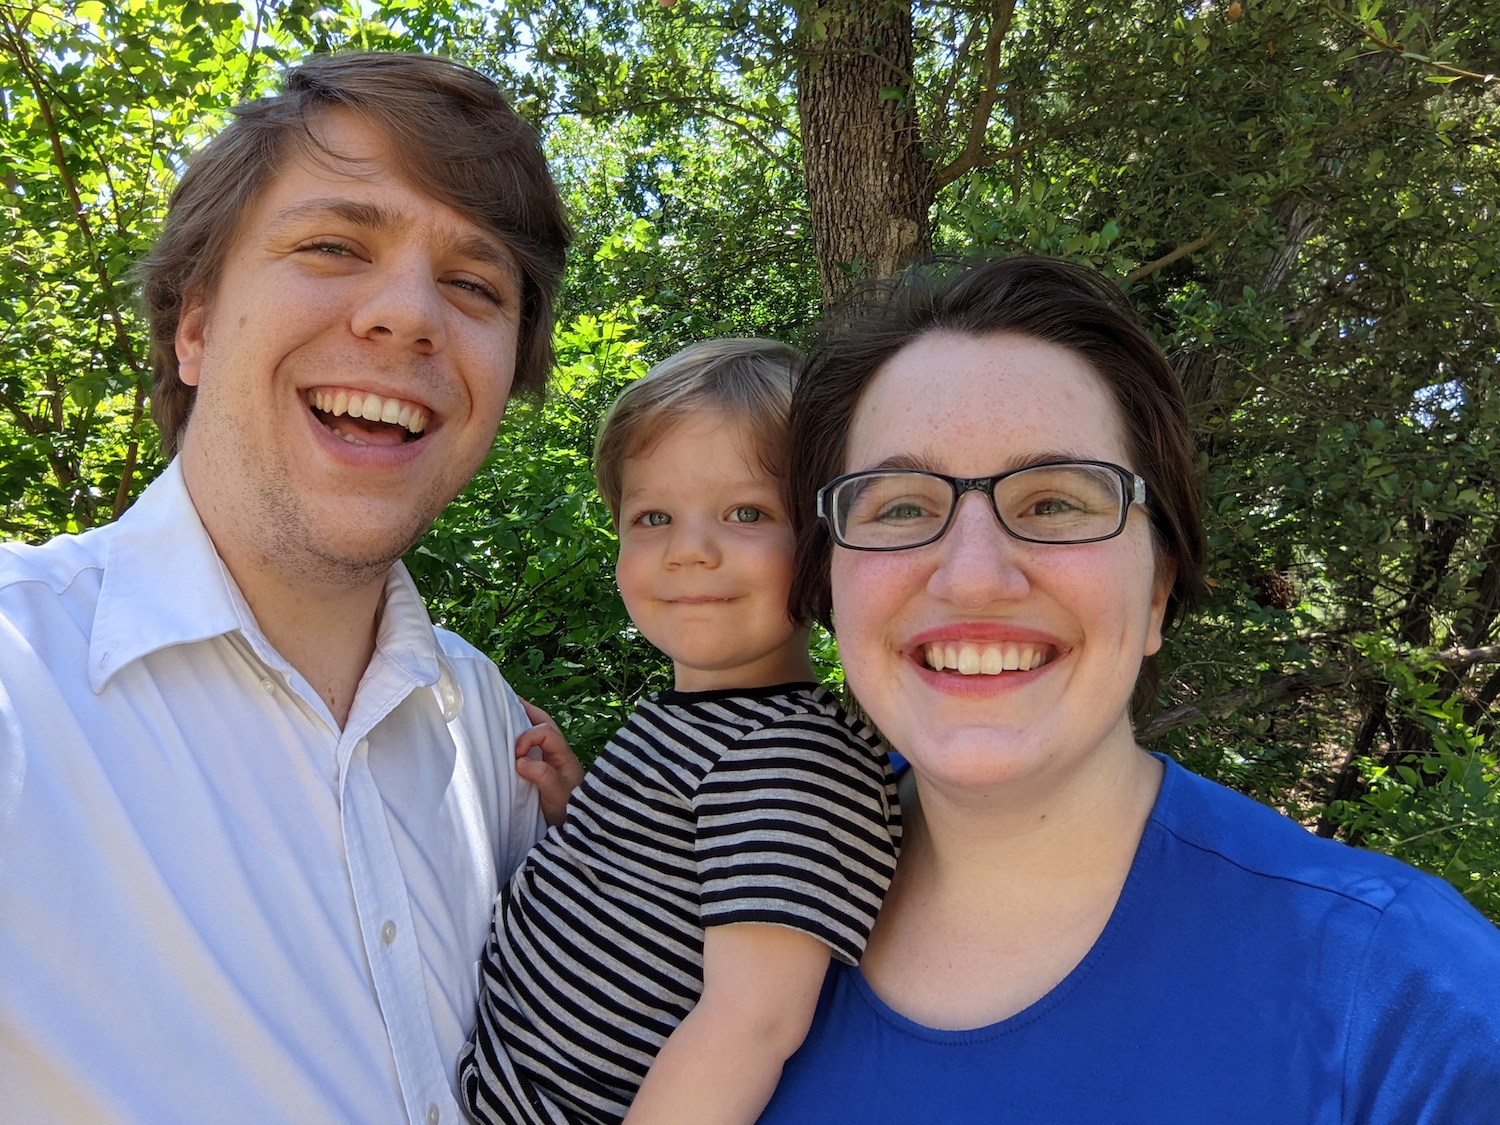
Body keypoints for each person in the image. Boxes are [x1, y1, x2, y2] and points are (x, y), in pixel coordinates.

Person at [756, 255, 1500, 1123]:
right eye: (899, 507)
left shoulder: (1410, 1008)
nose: (972, 577)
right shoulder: (706, 898)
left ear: (1156, 592)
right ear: (829, 583)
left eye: (1055, 503)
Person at [0, 52, 571, 1123]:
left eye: (474, 284)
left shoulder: (481, 727)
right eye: (332, 246)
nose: (408, 316)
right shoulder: (20, 678)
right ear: (198, 325)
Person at [458, 339, 901, 1125]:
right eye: (653, 515)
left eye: (746, 513)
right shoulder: (708, 720)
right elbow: (666, 888)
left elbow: (751, 1023)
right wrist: (580, 808)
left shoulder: (797, 759)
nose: (690, 549)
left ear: (826, 545)